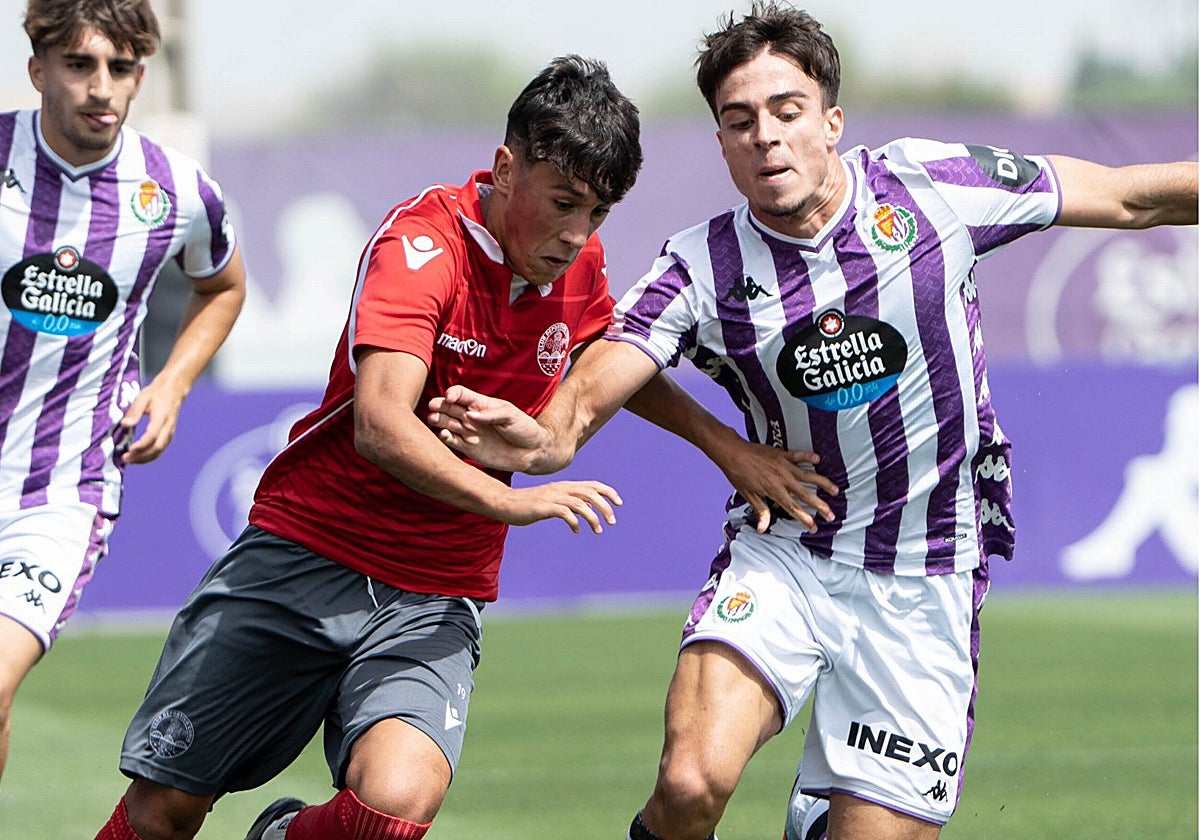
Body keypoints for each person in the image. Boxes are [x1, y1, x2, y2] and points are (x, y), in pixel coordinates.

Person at [427, 4, 1200, 839]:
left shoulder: (931, 187)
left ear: (832, 122)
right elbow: (596, 384)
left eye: (787, 112)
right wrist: (544, 439)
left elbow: (1128, 199)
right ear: (720, 144)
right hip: (788, 552)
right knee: (689, 785)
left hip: (926, 573)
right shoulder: (702, 265)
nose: (766, 136)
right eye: (740, 120)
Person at [90, 54, 726, 840]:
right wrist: (509, 498)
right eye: (563, 203)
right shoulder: (420, 246)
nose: (576, 235)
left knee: (392, 809)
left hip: (434, 589)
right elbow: (381, 425)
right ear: (504, 168)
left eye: (596, 213)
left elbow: (612, 359)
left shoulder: (578, 262)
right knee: (163, 813)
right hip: (306, 554)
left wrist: (730, 449)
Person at [0, 0, 245, 788]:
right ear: (38, 70)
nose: (101, 87)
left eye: (121, 68)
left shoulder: (174, 190)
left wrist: (172, 384)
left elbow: (224, 285)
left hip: (58, 492)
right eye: (79, 65)